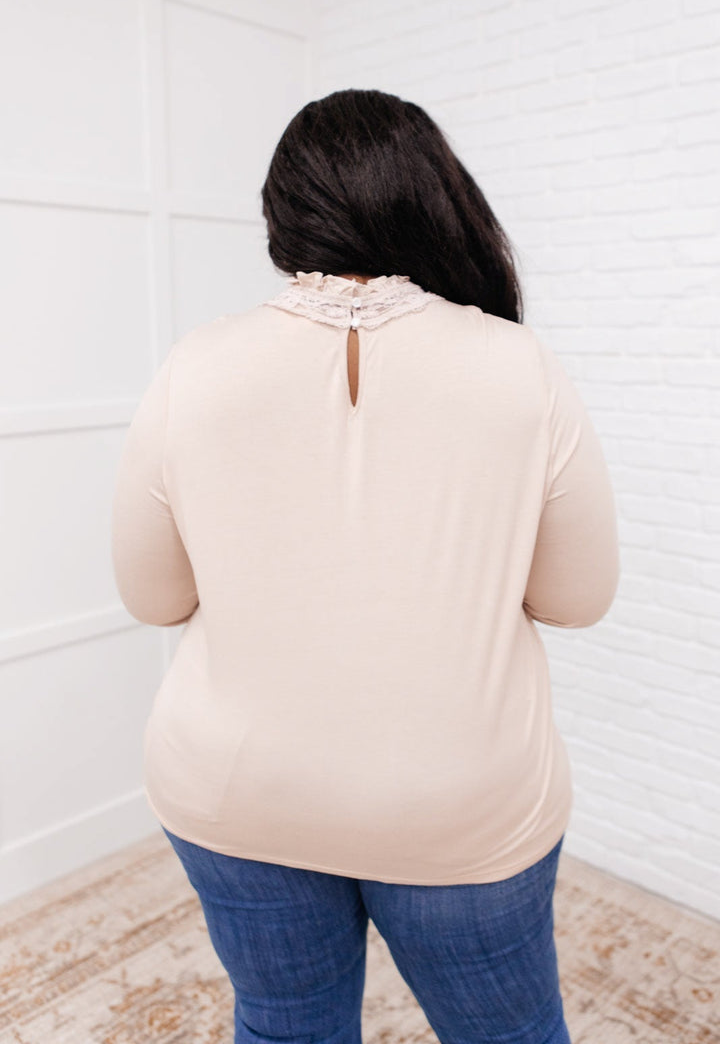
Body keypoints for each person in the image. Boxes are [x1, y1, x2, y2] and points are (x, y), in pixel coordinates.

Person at [111, 88, 620, 1044]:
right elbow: (577, 598)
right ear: (437, 199)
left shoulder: (195, 366)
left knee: (284, 1023)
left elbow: (153, 597)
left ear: (283, 213)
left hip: (235, 793)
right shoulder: (520, 366)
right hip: (462, 803)